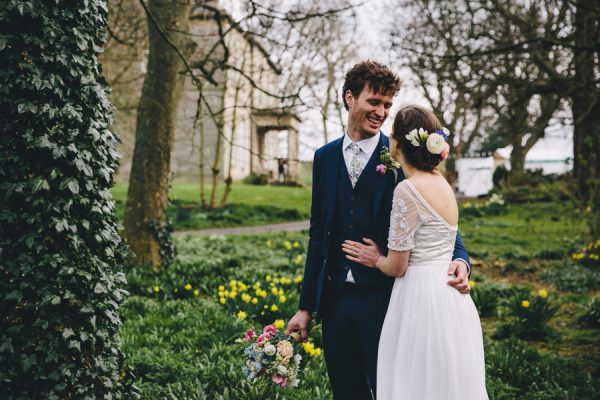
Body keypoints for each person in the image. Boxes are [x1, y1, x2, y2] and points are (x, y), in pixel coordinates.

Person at [286, 60, 472, 400]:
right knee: (346, 392)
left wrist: (461, 259)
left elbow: (440, 219)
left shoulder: (402, 157)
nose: (382, 112)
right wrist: (306, 307)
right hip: (336, 301)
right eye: (374, 102)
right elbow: (318, 235)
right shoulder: (324, 158)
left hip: (388, 300)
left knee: (393, 390)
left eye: (387, 105)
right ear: (350, 98)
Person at [342, 105, 488, 399]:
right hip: (450, 298)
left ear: (397, 142)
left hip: (420, 298)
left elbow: (397, 265)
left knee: (416, 382)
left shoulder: (408, 189)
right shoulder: (442, 183)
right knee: (446, 383)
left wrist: (376, 259)